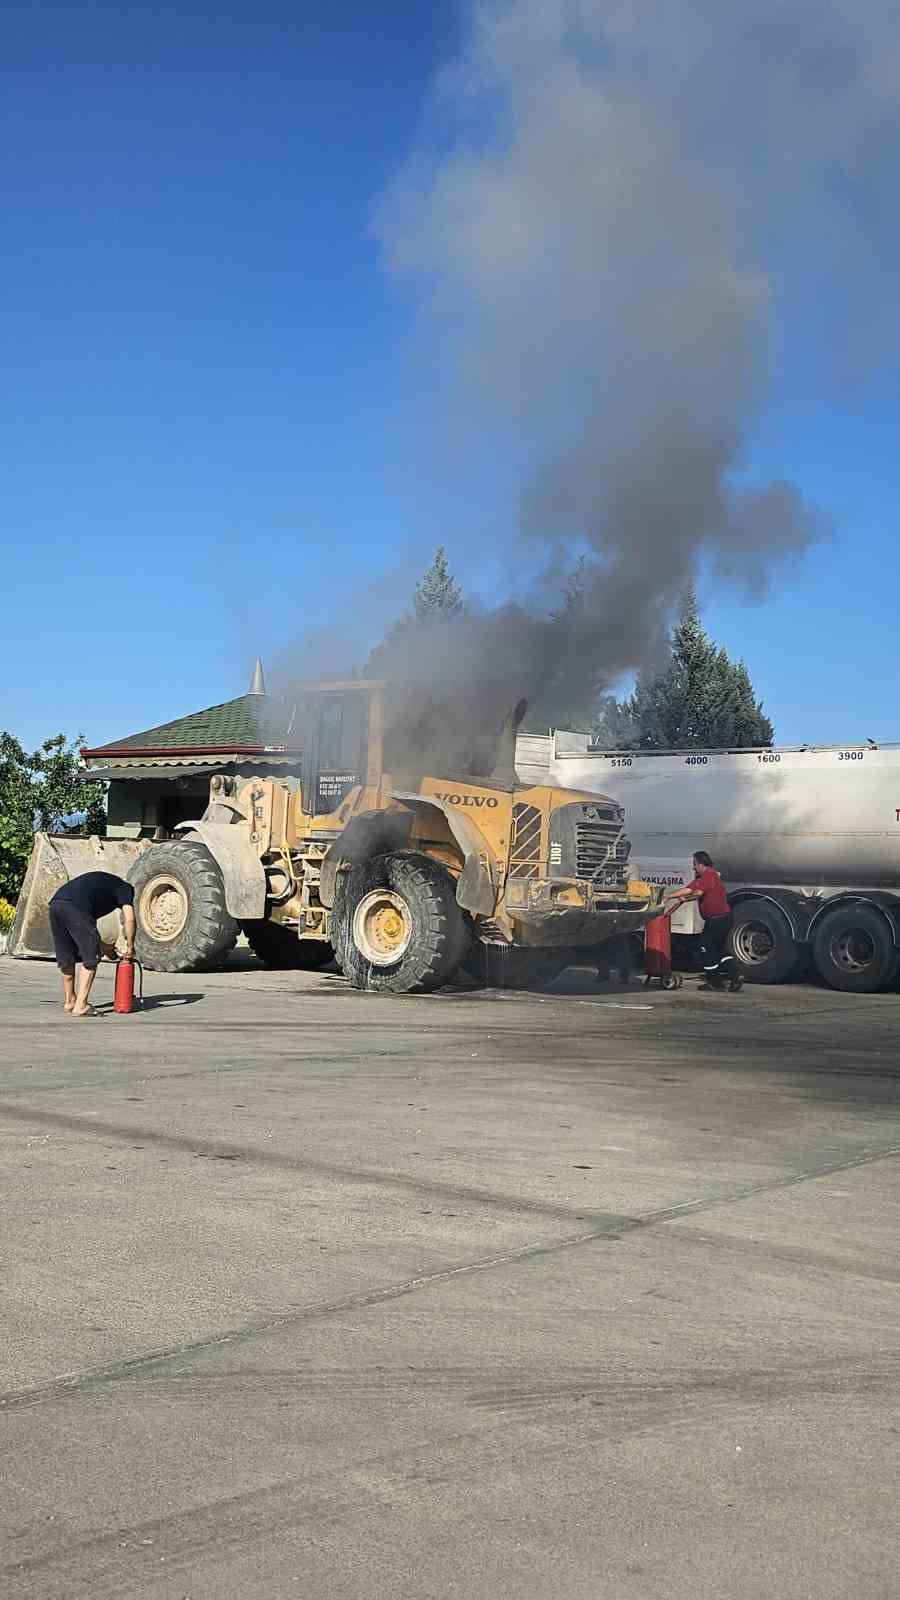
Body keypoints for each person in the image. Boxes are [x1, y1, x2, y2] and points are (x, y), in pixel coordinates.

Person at [49, 871, 136, 1017]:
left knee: (66, 955)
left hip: (56, 904)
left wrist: (104, 947)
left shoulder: (104, 887)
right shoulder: (125, 888)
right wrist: (130, 946)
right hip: (75, 907)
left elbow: (87, 930)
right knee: (91, 957)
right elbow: (130, 919)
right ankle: (81, 1005)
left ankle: (70, 1000)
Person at [663, 851, 741, 992]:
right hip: (722, 918)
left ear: (700, 864)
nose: (693, 868)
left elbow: (698, 893)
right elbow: (688, 889)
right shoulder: (703, 877)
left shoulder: (708, 875)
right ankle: (735, 975)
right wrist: (669, 896)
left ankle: (715, 982)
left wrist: (685, 900)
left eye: (694, 865)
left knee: (704, 948)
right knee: (718, 949)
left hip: (717, 920)